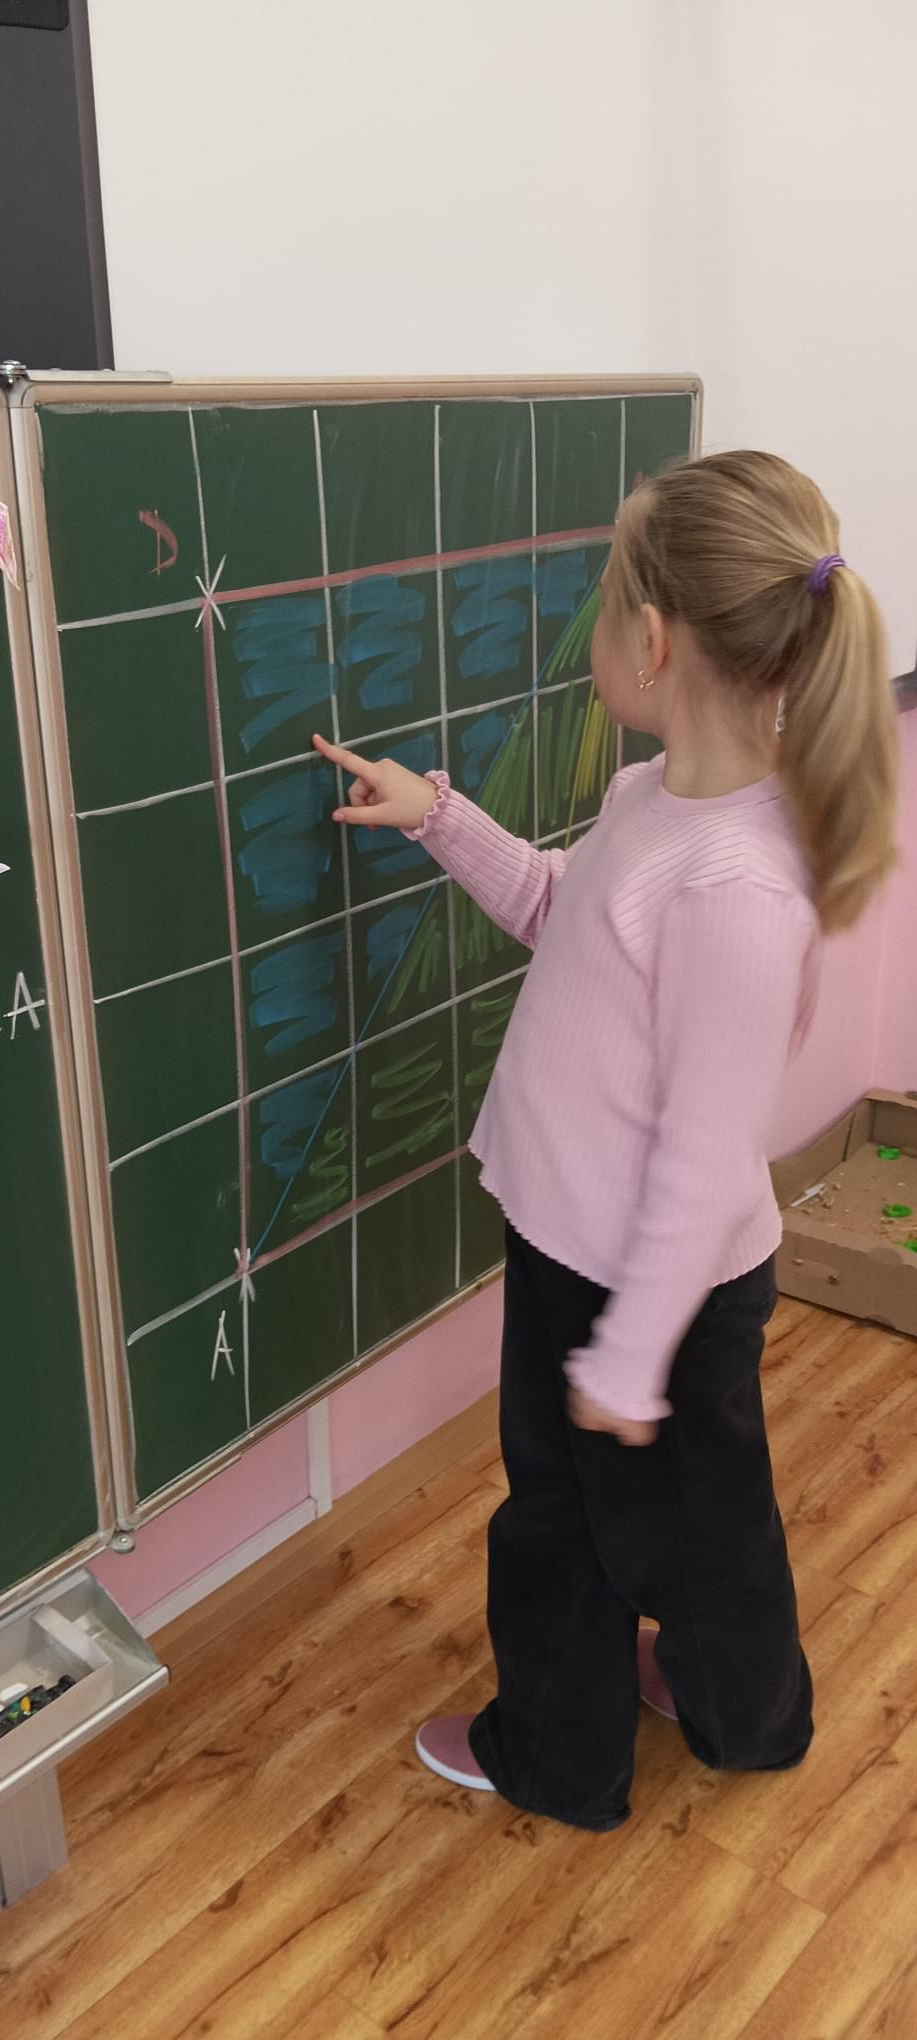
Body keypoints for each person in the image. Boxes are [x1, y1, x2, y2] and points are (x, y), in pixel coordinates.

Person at [312, 450, 898, 1831]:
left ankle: (560, 1758)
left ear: (651, 639)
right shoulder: (655, 803)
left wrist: (630, 1356)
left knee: (572, 1529)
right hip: (586, 1254)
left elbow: (704, 1155)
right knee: (696, 1526)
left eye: (604, 591)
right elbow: (558, 911)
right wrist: (442, 820)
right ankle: (738, 1713)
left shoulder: (737, 886)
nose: (589, 619)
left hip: (644, 1289)